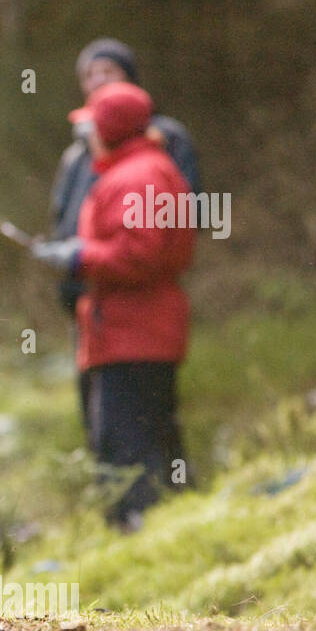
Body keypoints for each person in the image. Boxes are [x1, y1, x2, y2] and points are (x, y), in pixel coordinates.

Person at [31, 82, 194, 530]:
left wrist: (78, 256)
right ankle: (162, 536)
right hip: (139, 332)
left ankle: (138, 543)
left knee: (124, 452)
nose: (87, 134)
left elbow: (139, 255)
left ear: (110, 129)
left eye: (93, 124)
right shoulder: (145, 168)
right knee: (150, 443)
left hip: (132, 335)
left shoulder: (137, 176)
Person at [50, 38, 200, 436]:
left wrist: (80, 256)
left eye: (108, 72)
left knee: (131, 440)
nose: (97, 81)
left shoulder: (146, 167)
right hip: (100, 309)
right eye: (88, 74)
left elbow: (145, 250)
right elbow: (64, 215)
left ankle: (142, 498)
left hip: (133, 315)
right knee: (115, 430)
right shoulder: (84, 157)